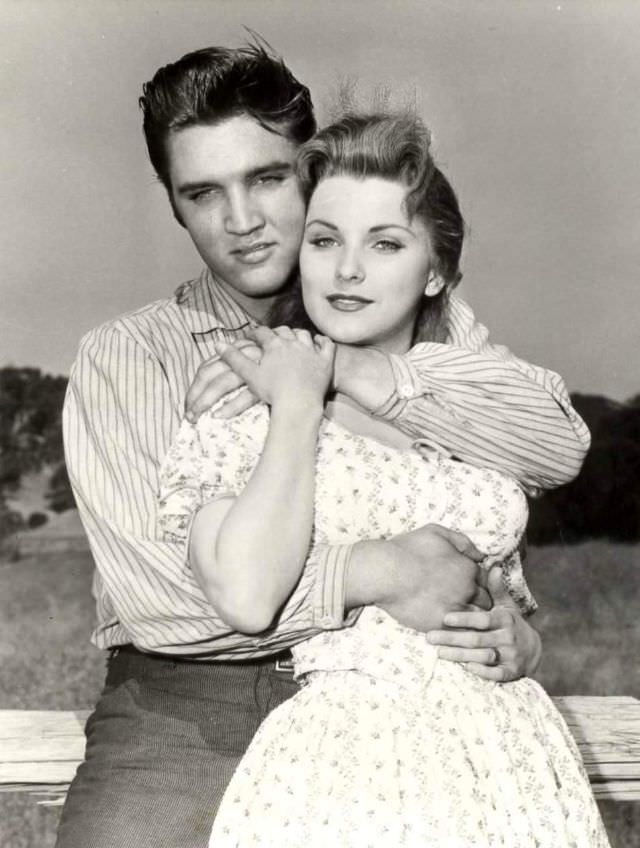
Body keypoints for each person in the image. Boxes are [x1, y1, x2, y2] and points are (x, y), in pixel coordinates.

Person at [57, 44, 590, 848]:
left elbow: (544, 450)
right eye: (203, 192)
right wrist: (384, 571)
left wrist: (502, 618)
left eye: (268, 179)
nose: (241, 221)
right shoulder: (128, 356)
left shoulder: (409, 322)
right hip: (188, 709)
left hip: (425, 702)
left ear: (308, 172)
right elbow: (160, 603)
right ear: (172, 204)